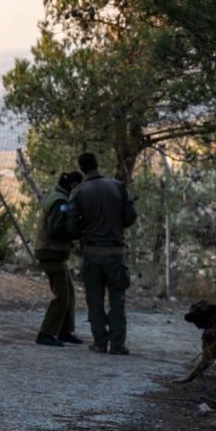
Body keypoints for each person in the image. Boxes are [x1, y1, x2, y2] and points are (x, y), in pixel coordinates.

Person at [66, 151, 137, 355]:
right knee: (117, 299)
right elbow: (130, 217)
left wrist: (84, 228)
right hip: (116, 252)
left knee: (94, 299)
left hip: (92, 252)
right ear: (97, 164)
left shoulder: (78, 192)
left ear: (82, 168)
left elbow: (71, 228)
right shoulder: (117, 186)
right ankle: (117, 344)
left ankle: (100, 341)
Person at [34, 171, 84, 347]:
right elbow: (56, 230)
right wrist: (76, 232)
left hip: (53, 252)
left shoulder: (58, 196)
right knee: (61, 295)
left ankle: (64, 331)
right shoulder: (60, 202)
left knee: (69, 292)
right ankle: (46, 333)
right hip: (50, 251)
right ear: (72, 186)